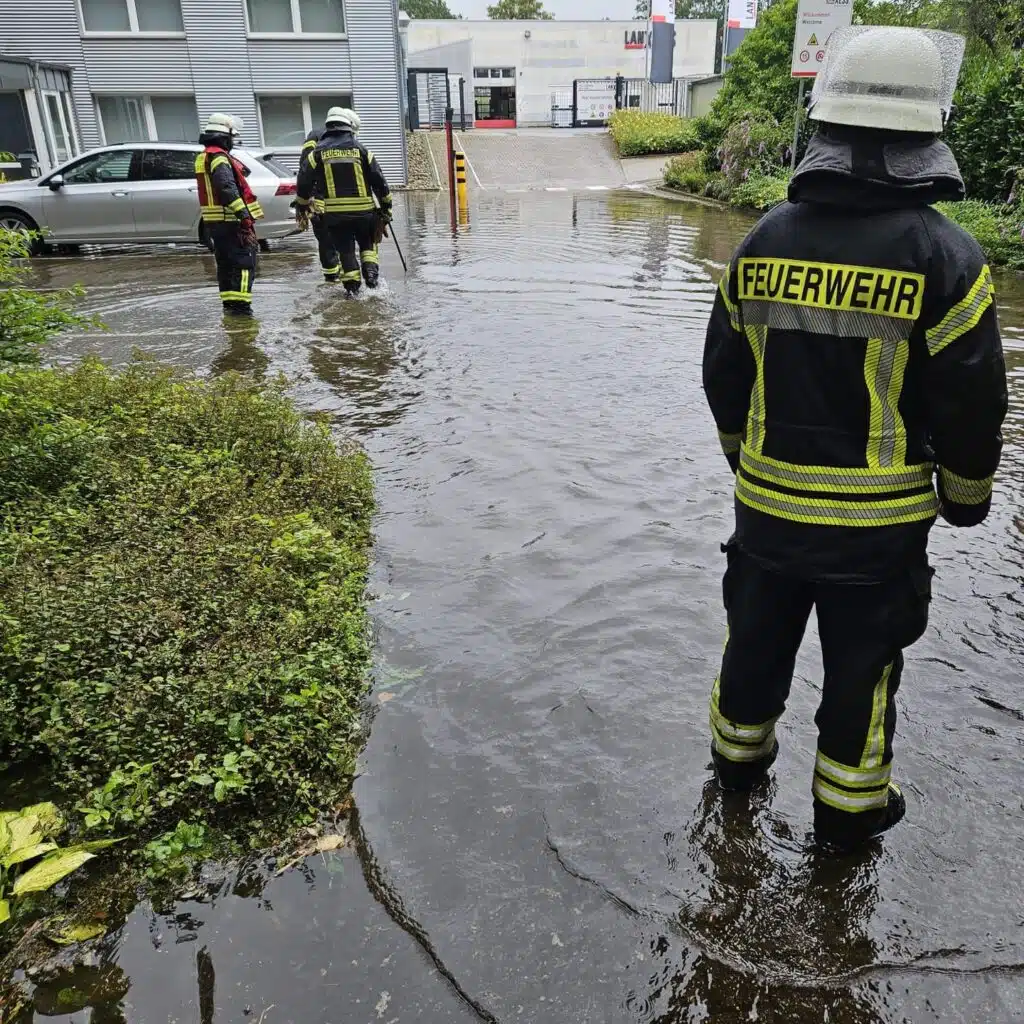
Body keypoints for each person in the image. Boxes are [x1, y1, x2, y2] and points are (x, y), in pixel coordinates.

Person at [702, 26, 1008, 853]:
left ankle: (735, 776)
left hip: (766, 517)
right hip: (874, 538)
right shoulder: (947, 257)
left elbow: (722, 372)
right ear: (926, 135)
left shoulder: (764, 240)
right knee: (862, 673)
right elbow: (975, 400)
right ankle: (848, 821)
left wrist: (744, 458)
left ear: (827, 124)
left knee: (755, 645)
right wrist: (966, 499)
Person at [295, 107, 392, 295]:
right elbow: (379, 180)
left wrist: (302, 204)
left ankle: (353, 291)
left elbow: (304, 178)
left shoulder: (317, 152)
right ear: (348, 128)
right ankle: (372, 278)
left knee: (346, 251)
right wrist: (386, 208)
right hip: (365, 213)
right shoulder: (361, 150)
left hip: (336, 216)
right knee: (368, 245)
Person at [195, 113, 263, 316]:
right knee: (244, 263)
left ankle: (230, 306)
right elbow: (226, 187)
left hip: (216, 223)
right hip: (230, 221)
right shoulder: (219, 158)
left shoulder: (205, 156)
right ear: (225, 137)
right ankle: (242, 309)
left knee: (225, 265)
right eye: (232, 138)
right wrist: (244, 215)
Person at [296, 111, 358, 282]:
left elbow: (305, 170)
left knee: (325, 239)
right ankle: (342, 277)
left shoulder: (316, 136)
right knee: (339, 238)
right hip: (335, 198)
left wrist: (304, 200)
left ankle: (332, 279)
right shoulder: (345, 138)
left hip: (322, 197)